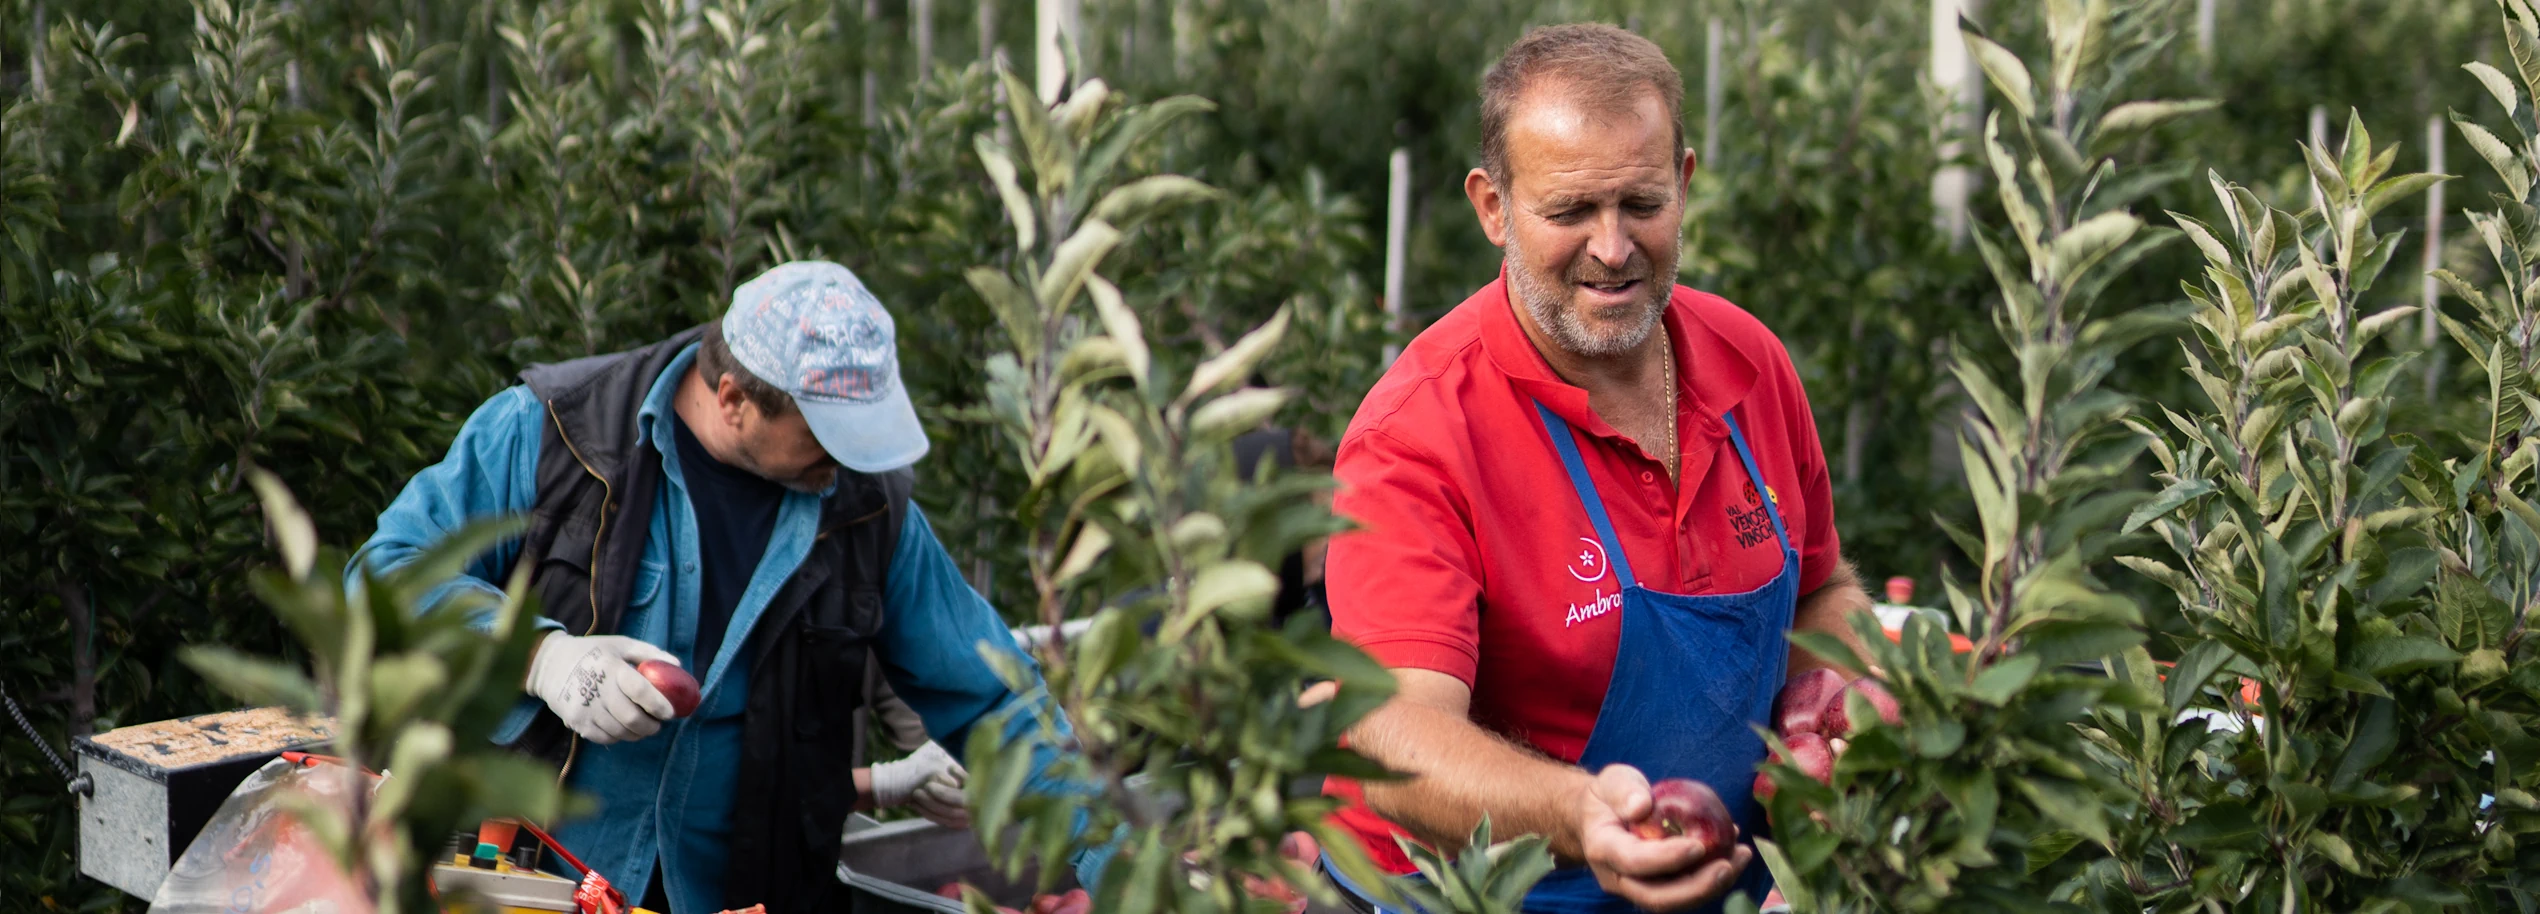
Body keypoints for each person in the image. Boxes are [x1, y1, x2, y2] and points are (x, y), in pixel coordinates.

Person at [1317, 24, 1874, 914]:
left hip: (1711, 877)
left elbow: (1818, 591)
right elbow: (1392, 731)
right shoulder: (1419, 433)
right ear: (1493, 207)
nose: (1613, 248)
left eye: (1641, 204)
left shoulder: (1749, 365)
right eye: (1571, 211)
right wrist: (1579, 813)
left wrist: (1847, 708)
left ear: (1684, 184)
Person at [352, 261, 1094, 913]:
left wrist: (1116, 862)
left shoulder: (866, 509)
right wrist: (539, 657)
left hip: (742, 896)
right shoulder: (557, 435)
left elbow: (995, 698)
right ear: (734, 398)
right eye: (825, 436)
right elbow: (384, 576)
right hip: (526, 885)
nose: (845, 462)